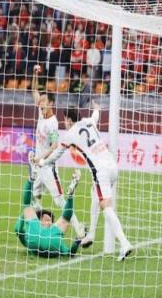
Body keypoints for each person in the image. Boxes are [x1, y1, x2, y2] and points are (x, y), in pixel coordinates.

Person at [35, 102, 133, 261]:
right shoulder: (88, 121)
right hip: (112, 166)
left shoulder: (70, 134)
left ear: (68, 120)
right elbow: (95, 116)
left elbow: (57, 153)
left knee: (106, 206)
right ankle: (91, 235)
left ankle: (124, 243)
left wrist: (43, 162)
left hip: (100, 171)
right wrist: (96, 109)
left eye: (65, 120)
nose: (64, 123)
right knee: (94, 193)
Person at [31, 65, 85, 239]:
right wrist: (34, 74)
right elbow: (33, 91)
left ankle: (79, 229)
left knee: (60, 200)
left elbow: (55, 145)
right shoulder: (41, 113)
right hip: (38, 166)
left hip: (47, 167)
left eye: (44, 101)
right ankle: (42, 228)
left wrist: (40, 157)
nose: (40, 103)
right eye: (40, 101)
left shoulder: (52, 123)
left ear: (51, 104)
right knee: (34, 196)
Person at [14, 164, 82, 258]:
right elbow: (69, 253)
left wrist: (24, 215)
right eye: (46, 220)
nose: (50, 223)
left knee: (27, 206)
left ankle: (31, 179)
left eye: (50, 221)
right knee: (65, 219)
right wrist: (77, 241)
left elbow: (17, 229)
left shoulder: (33, 231)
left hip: (35, 240)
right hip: (51, 243)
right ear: (39, 220)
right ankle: (70, 196)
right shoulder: (50, 232)